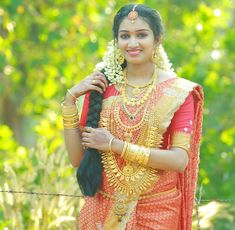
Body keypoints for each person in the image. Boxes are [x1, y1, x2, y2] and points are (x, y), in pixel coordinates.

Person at [61, 3, 203, 230]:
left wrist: (114, 145)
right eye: (125, 36)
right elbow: (77, 159)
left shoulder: (178, 92)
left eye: (142, 35)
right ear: (117, 41)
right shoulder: (101, 88)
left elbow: (179, 160)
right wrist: (69, 101)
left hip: (158, 213)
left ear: (158, 39)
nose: (133, 43)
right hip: (102, 212)